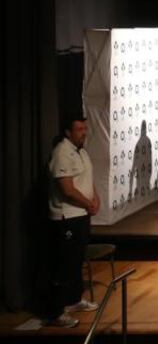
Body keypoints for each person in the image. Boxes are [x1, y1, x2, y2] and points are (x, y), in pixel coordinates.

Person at [44, 117, 99, 328]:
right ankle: (55, 312)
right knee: (64, 265)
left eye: (85, 128)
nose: (84, 132)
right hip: (67, 217)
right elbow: (66, 189)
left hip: (81, 214)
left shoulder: (81, 150)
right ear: (68, 132)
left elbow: (87, 179)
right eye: (79, 129)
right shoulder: (61, 153)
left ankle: (74, 300)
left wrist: (96, 198)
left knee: (77, 262)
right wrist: (88, 203)